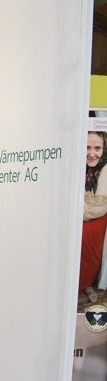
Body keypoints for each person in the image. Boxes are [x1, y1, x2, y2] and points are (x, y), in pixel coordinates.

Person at [82, 130, 107, 307]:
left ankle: (87, 284)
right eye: (87, 147)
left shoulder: (105, 169)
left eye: (97, 148)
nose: (92, 154)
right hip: (77, 222)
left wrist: (84, 210)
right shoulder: (74, 166)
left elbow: (101, 205)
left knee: (93, 257)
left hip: (97, 222)